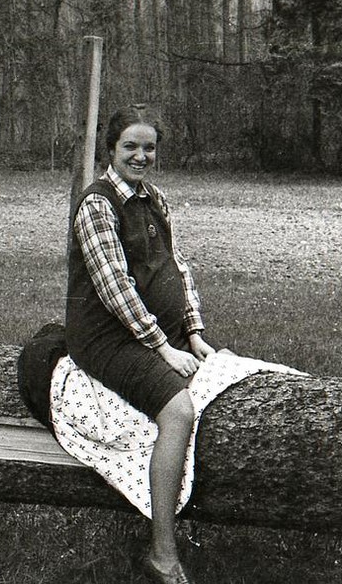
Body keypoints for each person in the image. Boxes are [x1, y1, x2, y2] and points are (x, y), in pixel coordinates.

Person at [65, 104, 214, 584]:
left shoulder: (155, 199)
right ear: (111, 150)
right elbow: (114, 288)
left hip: (155, 331)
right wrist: (161, 348)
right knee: (178, 411)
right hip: (106, 336)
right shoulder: (97, 205)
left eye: (149, 147)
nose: (141, 155)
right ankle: (162, 553)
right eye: (130, 146)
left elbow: (177, 267)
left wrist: (192, 332)